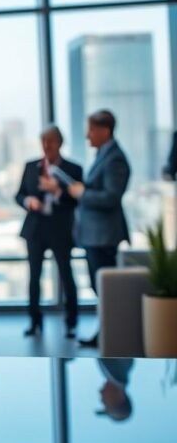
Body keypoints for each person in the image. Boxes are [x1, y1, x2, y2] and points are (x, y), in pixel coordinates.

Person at [69, 109, 131, 348]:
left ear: (105, 130)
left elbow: (111, 197)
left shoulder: (114, 158)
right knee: (100, 287)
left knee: (105, 289)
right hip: (94, 234)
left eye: (92, 130)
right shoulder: (103, 155)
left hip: (103, 235)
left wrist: (83, 193)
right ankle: (106, 332)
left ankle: (110, 334)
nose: (87, 136)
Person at [15, 125, 83, 338]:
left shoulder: (73, 169)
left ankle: (71, 321)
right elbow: (19, 195)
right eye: (43, 141)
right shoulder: (31, 167)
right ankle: (34, 320)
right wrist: (28, 201)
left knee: (66, 274)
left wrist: (58, 192)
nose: (47, 146)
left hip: (60, 229)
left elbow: (77, 200)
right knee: (34, 276)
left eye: (51, 141)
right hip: (36, 229)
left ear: (60, 143)